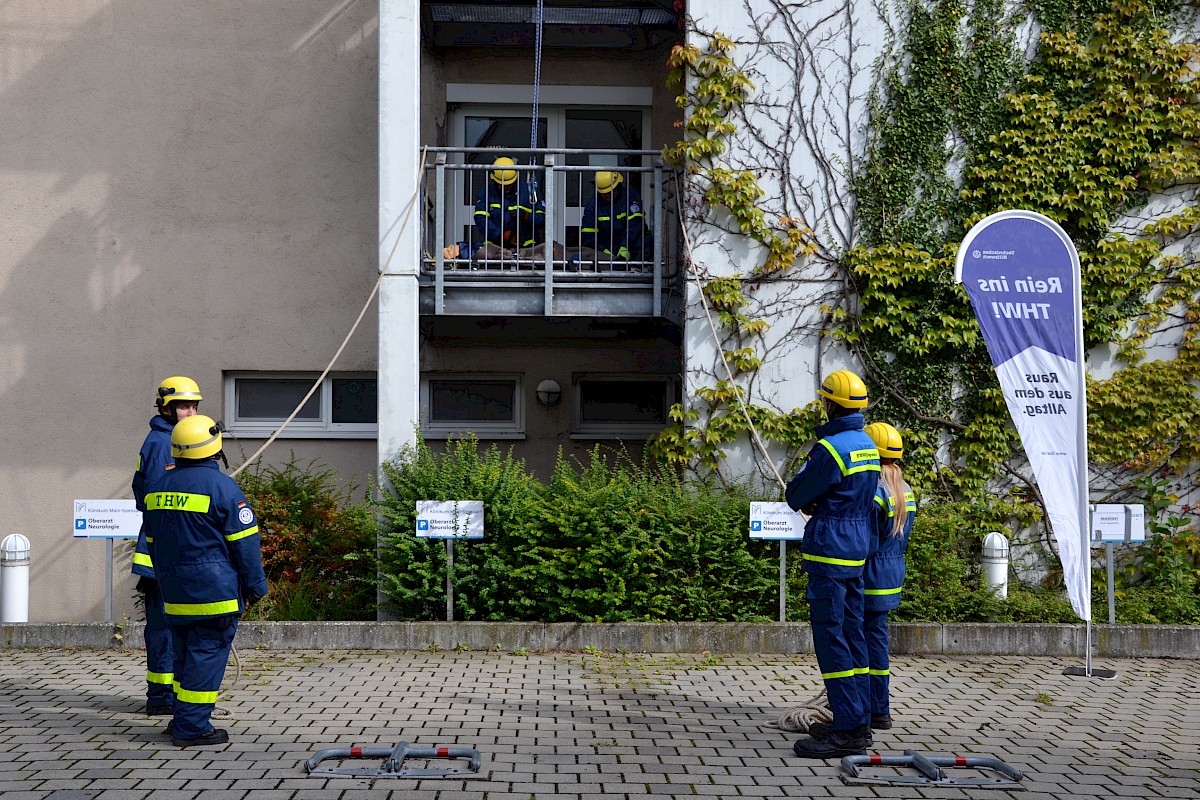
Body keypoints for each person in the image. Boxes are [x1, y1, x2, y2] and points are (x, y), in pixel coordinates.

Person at [145, 414, 268, 747]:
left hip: (173, 592)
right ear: (214, 445)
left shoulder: (159, 487)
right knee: (206, 656)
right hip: (214, 593)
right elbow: (245, 544)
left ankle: (182, 717)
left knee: (183, 656)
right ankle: (193, 727)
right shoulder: (222, 487)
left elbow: (153, 542)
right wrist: (256, 586)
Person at [785, 369, 880, 759]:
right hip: (857, 550)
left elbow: (797, 494)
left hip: (828, 551)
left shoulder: (830, 449)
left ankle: (846, 729)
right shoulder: (868, 446)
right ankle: (859, 718)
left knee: (831, 637)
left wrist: (808, 499)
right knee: (853, 634)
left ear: (829, 403)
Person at [131, 376, 202, 716]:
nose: (190, 413)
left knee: (170, 626)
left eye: (193, 406)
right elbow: (161, 503)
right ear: (166, 407)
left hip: (166, 552)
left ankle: (167, 693)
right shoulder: (162, 444)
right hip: (163, 553)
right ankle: (162, 696)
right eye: (183, 406)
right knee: (164, 627)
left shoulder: (169, 439)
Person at [861, 422, 916, 730]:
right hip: (892, 573)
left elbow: (865, 540)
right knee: (877, 639)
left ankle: (869, 709)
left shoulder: (874, 491)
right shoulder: (905, 491)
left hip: (869, 573)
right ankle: (880, 709)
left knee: (859, 640)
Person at [473, 156, 547, 260]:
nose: (504, 187)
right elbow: (481, 219)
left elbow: (543, 217)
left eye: (508, 185)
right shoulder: (487, 193)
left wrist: (527, 217)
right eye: (500, 184)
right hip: (495, 250)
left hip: (527, 250)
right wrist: (501, 234)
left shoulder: (528, 192)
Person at [579, 170, 651, 265]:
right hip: (606, 246)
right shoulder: (593, 205)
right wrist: (603, 251)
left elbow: (635, 225)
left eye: (610, 192)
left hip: (633, 244)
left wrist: (625, 247)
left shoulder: (630, 197)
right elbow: (589, 235)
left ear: (618, 186)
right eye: (604, 193)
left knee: (645, 243)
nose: (607, 196)